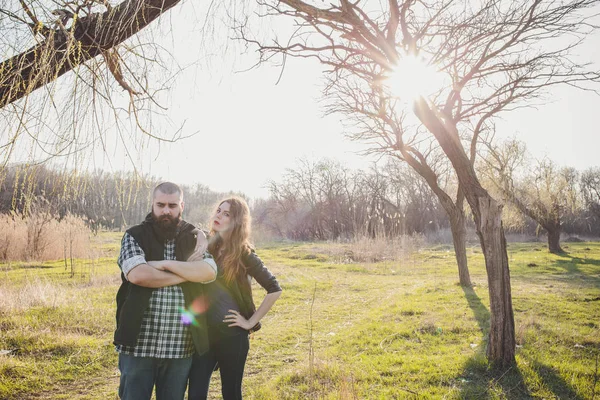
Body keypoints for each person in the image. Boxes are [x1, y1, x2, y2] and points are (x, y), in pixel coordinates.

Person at [114, 182, 217, 400]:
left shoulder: (194, 237)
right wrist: (187, 274)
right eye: (160, 205)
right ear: (152, 204)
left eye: (172, 205)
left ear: (182, 205)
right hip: (138, 344)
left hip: (180, 346)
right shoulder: (134, 235)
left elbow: (209, 272)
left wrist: (161, 265)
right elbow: (139, 275)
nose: (166, 211)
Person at [187, 196, 283, 400]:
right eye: (218, 211)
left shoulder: (244, 253)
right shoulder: (208, 247)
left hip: (233, 337)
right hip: (204, 334)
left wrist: (250, 322)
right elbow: (189, 230)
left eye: (226, 214)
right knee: (195, 392)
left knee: (230, 393)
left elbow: (274, 289)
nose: (219, 216)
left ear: (237, 221)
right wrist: (202, 237)